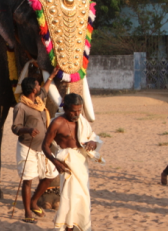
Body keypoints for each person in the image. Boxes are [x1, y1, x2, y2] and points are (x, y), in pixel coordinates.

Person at [42, 93, 104, 231]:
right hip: (67, 164)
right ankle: (68, 227)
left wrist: (93, 142)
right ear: (65, 108)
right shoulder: (57, 123)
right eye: (73, 111)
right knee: (69, 198)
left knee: (83, 197)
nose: (76, 114)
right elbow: (45, 146)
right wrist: (55, 162)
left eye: (79, 110)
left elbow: (91, 136)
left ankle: (78, 226)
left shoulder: (82, 120)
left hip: (81, 163)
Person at [12, 67, 60, 224]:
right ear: (33, 89)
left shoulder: (38, 101)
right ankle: (27, 211)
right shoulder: (21, 107)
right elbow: (15, 127)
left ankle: (34, 201)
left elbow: (45, 90)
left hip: (43, 147)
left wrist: (52, 76)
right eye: (37, 85)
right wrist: (28, 129)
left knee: (50, 176)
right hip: (28, 147)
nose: (40, 87)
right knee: (27, 180)